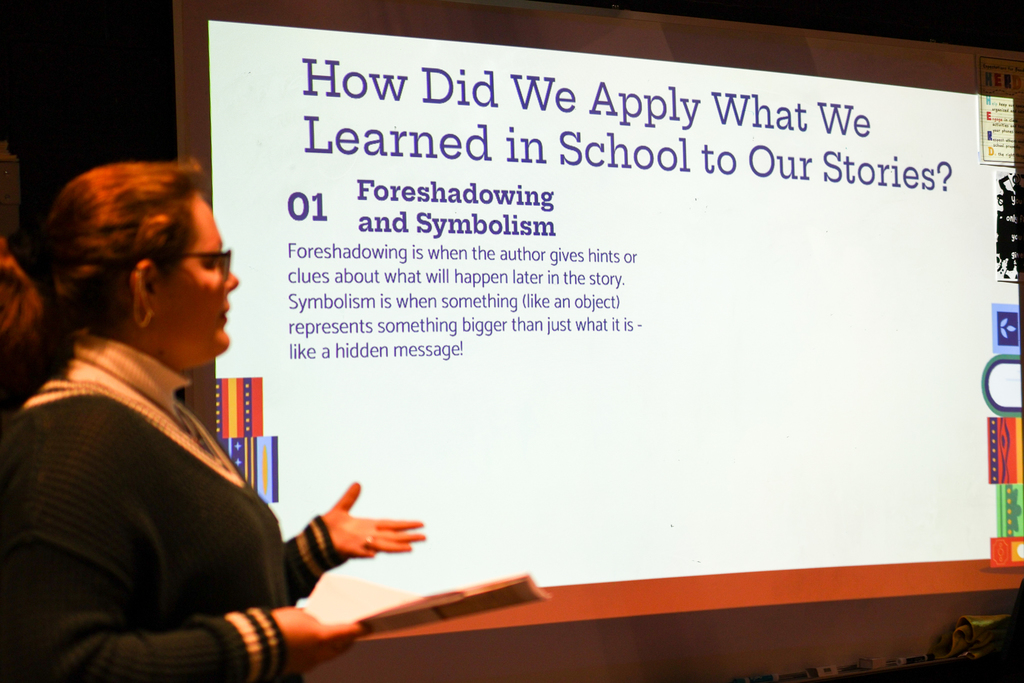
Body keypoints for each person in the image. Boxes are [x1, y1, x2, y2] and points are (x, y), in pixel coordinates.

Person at [0, 161, 425, 683]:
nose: (233, 278)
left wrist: (314, 550)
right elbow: (56, 665)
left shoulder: (152, 409)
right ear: (147, 285)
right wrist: (260, 647)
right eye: (213, 261)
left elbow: (198, 597)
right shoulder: (68, 443)